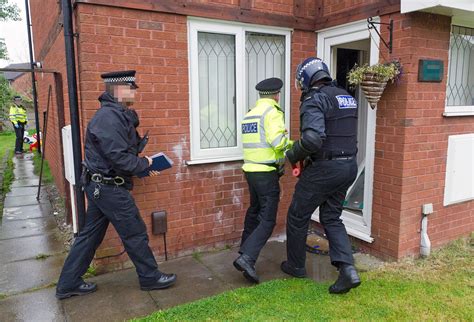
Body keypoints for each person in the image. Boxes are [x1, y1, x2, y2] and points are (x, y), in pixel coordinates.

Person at [55, 70, 176, 300]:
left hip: (102, 186)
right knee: (134, 231)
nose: (134, 94)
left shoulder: (116, 115)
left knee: (90, 236)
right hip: (108, 188)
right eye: (131, 89)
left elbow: (119, 155)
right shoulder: (108, 118)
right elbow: (118, 157)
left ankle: (68, 283)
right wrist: (143, 164)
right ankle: (150, 277)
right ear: (119, 90)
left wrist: (144, 167)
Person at [281, 57, 361, 294]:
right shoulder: (345, 96)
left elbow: (313, 139)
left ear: (305, 78)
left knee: (297, 215)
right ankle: (348, 270)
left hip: (326, 169)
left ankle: (295, 266)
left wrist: (292, 154)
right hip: (348, 166)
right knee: (332, 217)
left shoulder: (314, 99)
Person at [233, 77, 293, 283]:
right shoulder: (273, 112)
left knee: (254, 212)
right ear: (277, 95)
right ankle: (248, 258)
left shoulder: (250, 114)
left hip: (250, 170)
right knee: (267, 219)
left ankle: (244, 252)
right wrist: (290, 142)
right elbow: (278, 143)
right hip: (266, 172)